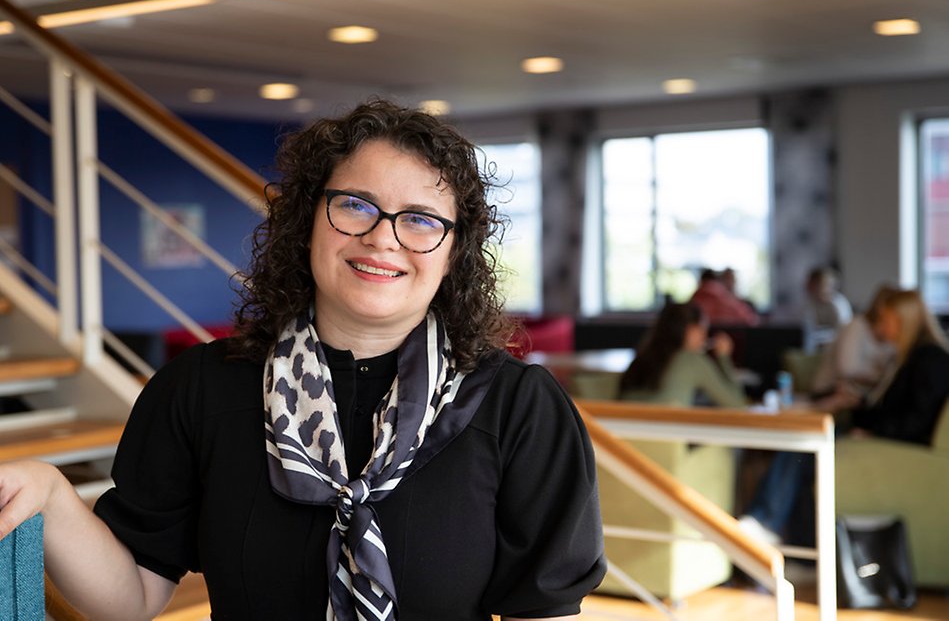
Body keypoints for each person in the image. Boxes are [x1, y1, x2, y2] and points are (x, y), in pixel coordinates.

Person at [0, 100, 606, 621]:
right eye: (355, 205)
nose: (382, 238)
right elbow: (129, 599)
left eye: (420, 220)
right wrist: (52, 496)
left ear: (454, 252)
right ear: (307, 220)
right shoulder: (203, 389)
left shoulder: (519, 408)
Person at [740, 288, 949, 545]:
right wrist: (861, 407)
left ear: (902, 320)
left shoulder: (929, 360)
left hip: (898, 446)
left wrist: (875, 431)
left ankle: (764, 521)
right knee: (805, 453)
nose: (880, 327)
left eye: (886, 320)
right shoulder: (912, 357)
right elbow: (899, 412)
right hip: (888, 437)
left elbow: (917, 420)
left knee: (804, 446)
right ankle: (789, 543)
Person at [619, 302, 747, 407]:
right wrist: (724, 357)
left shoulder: (642, 356)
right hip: (668, 435)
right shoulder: (692, 361)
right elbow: (738, 406)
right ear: (689, 329)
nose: (705, 336)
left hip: (620, 434)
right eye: (702, 329)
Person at [810, 284, 897, 398]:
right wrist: (879, 376)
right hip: (830, 390)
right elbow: (846, 370)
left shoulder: (893, 336)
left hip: (862, 391)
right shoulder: (857, 325)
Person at [801, 266, 853, 353]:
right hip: (817, 350)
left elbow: (844, 333)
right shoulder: (809, 303)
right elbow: (808, 331)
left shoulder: (839, 305)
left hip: (839, 349)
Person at [688, 268, 760, 327]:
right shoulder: (723, 297)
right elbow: (750, 320)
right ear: (720, 280)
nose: (733, 283)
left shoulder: (694, 297)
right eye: (730, 279)